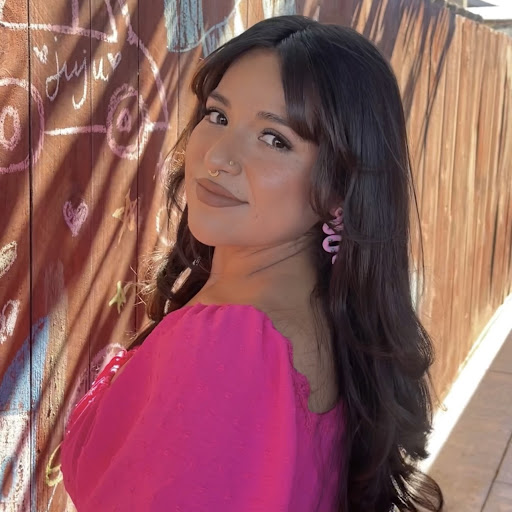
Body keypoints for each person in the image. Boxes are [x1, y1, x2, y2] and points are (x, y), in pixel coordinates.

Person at [60, 15, 444, 512]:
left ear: (339, 186)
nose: (218, 157)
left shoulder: (228, 346)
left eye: (274, 138)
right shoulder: (326, 314)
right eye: (217, 116)